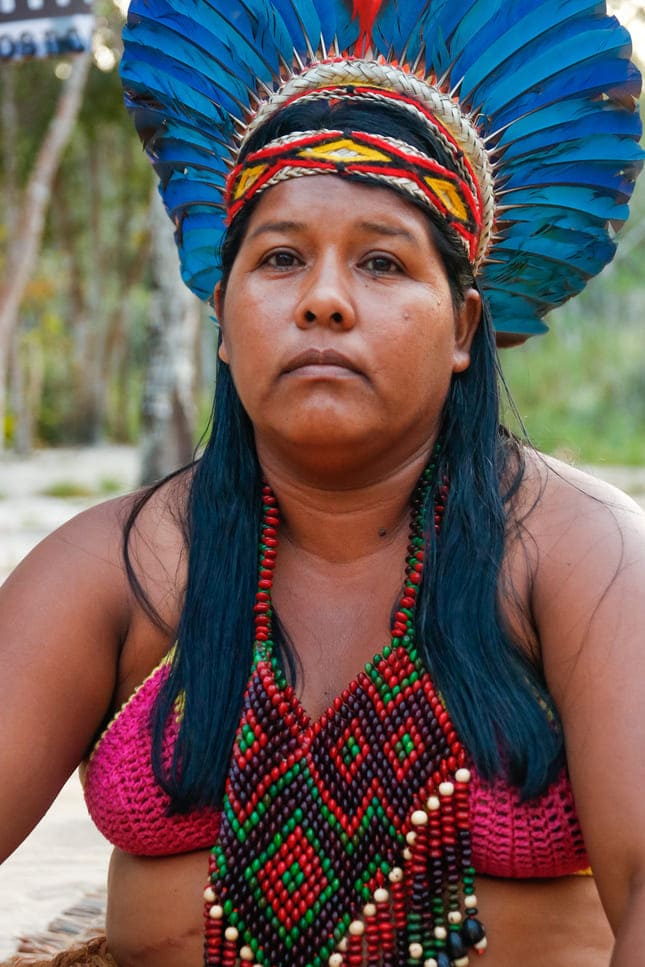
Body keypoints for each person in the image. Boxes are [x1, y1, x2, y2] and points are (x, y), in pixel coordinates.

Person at [1, 1, 645, 965]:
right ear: (223, 317)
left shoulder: (583, 554)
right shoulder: (114, 568)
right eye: (280, 258)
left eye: (382, 262)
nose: (325, 299)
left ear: (463, 326)